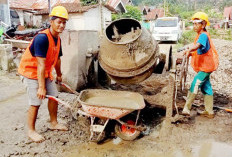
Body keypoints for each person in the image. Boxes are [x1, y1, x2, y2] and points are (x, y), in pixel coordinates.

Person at [18, 6, 69, 142]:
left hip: (43, 72)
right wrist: (41, 87)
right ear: (51, 21)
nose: (62, 25)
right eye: (59, 21)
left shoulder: (58, 39)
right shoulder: (42, 38)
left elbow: (57, 59)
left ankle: (53, 123)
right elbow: (40, 65)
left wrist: (58, 74)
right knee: (36, 101)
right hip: (30, 72)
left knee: (54, 96)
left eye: (64, 22)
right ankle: (31, 131)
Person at [181, 12, 219, 118]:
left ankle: (186, 108)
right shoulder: (201, 35)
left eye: (197, 24)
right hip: (206, 66)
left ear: (203, 24)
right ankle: (209, 111)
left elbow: (197, 46)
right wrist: (190, 53)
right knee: (206, 87)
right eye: (193, 24)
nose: (194, 26)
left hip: (205, 67)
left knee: (195, 84)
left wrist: (189, 49)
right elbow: (200, 51)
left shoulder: (203, 35)